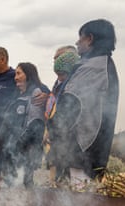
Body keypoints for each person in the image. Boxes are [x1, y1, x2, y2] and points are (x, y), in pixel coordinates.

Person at [50, 19, 119, 188]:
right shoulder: (97, 64)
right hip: (80, 152)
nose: (77, 43)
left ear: (89, 39)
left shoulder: (95, 67)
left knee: (77, 202)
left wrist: (51, 127)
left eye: (80, 38)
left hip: (82, 151)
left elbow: (71, 105)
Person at [0, 47, 48, 186]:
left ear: (3, 59)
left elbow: (35, 122)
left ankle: (21, 205)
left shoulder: (22, 84)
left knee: (20, 181)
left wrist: (47, 94)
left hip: (19, 145)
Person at [0, 62, 46, 187]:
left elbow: (35, 124)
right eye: (15, 74)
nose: (15, 77)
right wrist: (1, 144)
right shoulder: (17, 95)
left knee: (24, 184)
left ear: (28, 75)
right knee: (9, 184)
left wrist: (17, 145)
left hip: (24, 152)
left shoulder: (36, 93)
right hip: (10, 150)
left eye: (19, 73)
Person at [44, 48, 80, 185]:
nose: (55, 61)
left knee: (68, 186)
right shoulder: (56, 86)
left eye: (58, 57)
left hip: (69, 145)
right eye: (54, 58)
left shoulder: (73, 85)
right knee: (56, 183)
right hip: (56, 143)